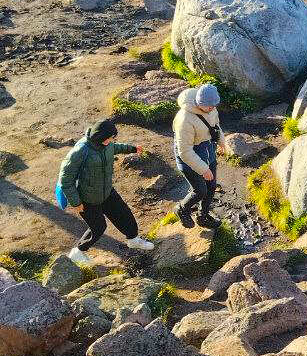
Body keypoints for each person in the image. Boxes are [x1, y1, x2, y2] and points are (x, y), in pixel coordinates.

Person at [58, 119, 154, 262]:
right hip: (87, 198)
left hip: (107, 191)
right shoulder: (80, 152)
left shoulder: (107, 144)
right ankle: (78, 251)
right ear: (100, 136)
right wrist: (76, 203)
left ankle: (133, 240)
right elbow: (66, 179)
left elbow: (115, 147)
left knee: (125, 215)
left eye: (112, 138)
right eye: (109, 138)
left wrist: (132, 149)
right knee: (98, 228)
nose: (111, 140)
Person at [173, 84, 228, 229]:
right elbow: (184, 151)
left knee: (211, 186)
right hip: (189, 157)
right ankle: (182, 209)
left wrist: (222, 141)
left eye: (214, 105)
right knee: (200, 191)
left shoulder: (211, 107)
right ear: (199, 103)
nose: (213, 108)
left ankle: (202, 216)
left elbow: (215, 125)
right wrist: (204, 169)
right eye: (209, 106)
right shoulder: (184, 120)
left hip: (208, 150)